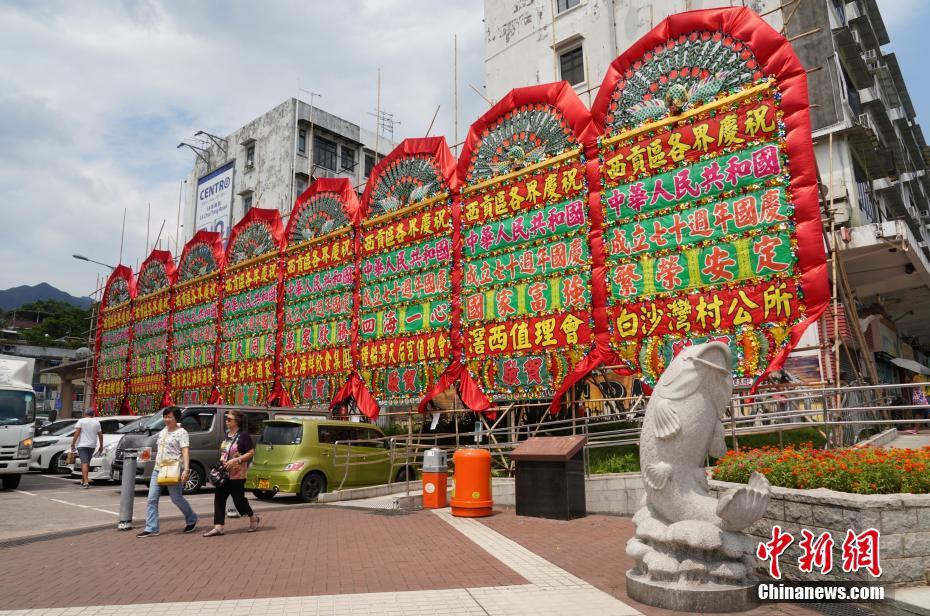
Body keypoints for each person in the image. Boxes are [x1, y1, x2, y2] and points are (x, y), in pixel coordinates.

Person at [137, 407, 198, 537]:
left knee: (176, 498)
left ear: (176, 418)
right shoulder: (163, 431)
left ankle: (191, 518)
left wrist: (186, 469)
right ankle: (152, 528)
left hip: (173, 469)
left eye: (170, 417)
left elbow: (185, 451)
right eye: (165, 417)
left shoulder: (182, 432)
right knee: (151, 499)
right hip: (158, 469)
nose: (166, 419)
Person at [203, 410, 260, 536]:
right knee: (219, 498)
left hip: (237, 474)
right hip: (224, 473)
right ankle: (218, 526)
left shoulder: (243, 436)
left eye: (229, 419)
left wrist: (236, 460)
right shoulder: (226, 435)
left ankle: (253, 517)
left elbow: (251, 453)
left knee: (239, 500)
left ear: (237, 421)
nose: (226, 421)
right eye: (226, 419)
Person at [69, 408, 103, 488]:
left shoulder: (81, 421)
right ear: (93, 414)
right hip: (92, 445)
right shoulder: (96, 422)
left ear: (85, 414)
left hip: (82, 445)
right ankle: (83, 480)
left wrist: (73, 444)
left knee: (84, 463)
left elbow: (77, 433)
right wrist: (101, 445)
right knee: (87, 463)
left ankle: (86, 482)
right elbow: (100, 435)